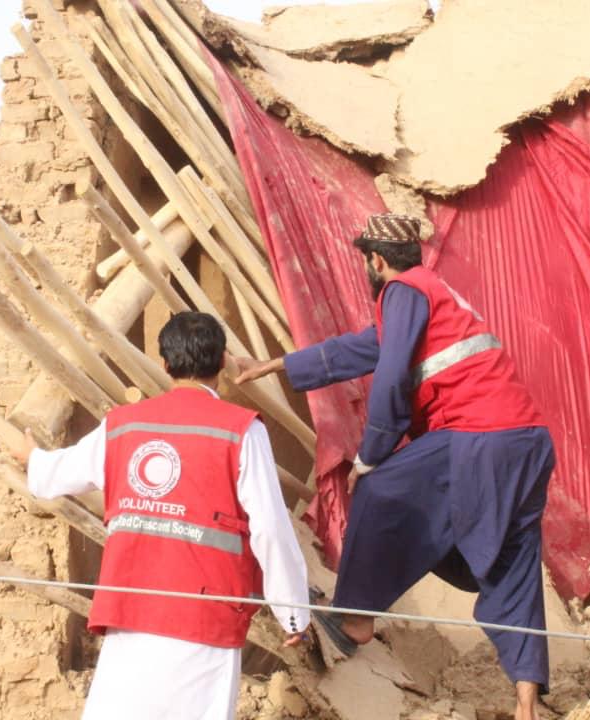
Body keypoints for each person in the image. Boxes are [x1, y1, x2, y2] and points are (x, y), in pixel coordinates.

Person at [234, 213, 555, 720]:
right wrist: (274, 365)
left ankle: (356, 618)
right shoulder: (433, 294)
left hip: (479, 436)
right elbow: (362, 348)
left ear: (376, 260)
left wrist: (371, 454)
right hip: (527, 441)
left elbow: (389, 377)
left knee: (380, 491)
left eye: (366, 261)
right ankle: (526, 702)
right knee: (515, 564)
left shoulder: (403, 290)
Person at [10, 311, 310, 720]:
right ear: (223, 361)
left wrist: (32, 458)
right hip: (205, 618)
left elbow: (55, 476)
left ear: (165, 363)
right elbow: (270, 528)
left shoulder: (122, 425)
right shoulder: (241, 431)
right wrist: (292, 612)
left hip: (131, 609)